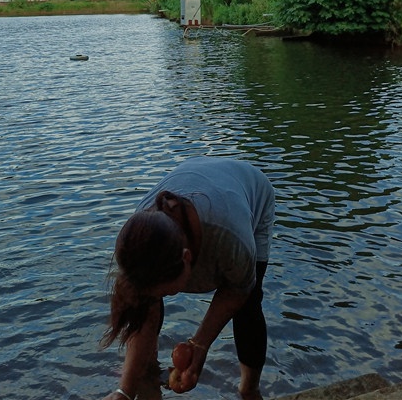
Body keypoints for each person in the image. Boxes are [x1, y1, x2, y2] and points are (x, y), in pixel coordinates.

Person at [100, 156, 275, 400]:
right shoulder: (136, 236)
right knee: (145, 303)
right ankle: (147, 380)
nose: (164, 297)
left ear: (187, 258)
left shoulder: (233, 239)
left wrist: (200, 345)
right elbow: (141, 311)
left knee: (249, 303)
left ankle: (249, 389)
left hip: (249, 188)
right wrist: (124, 391)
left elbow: (238, 291)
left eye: (167, 292)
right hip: (195, 177)